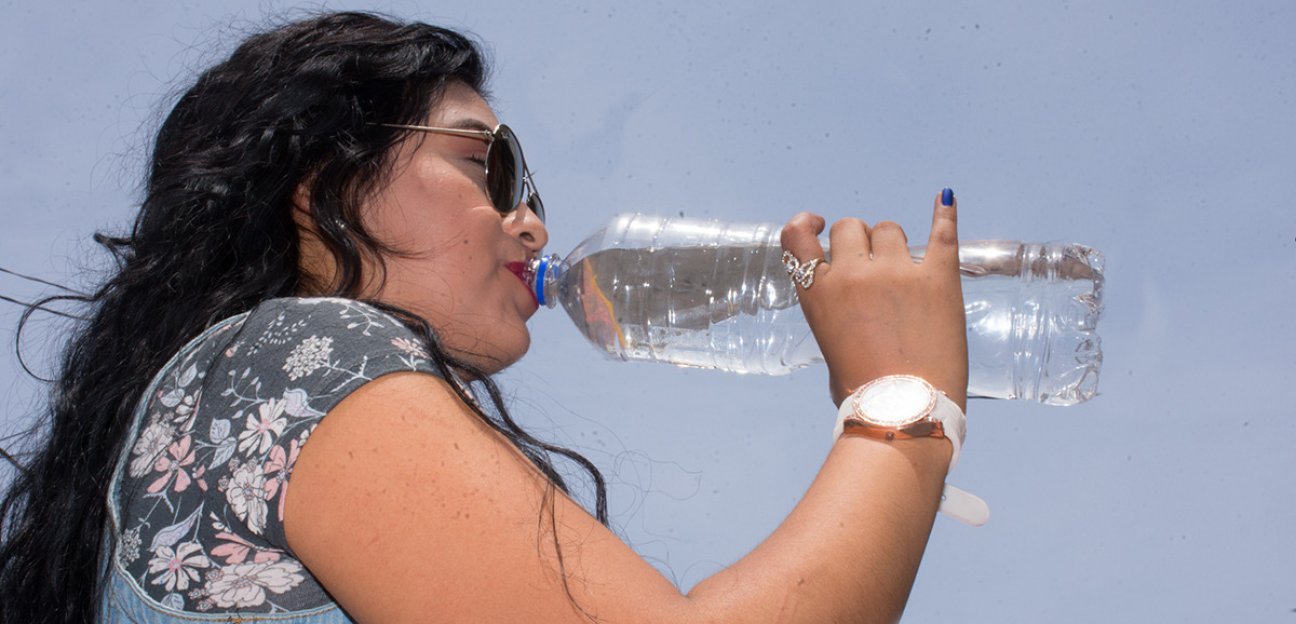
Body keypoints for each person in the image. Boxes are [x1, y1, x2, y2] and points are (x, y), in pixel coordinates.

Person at [0, 11, 970, 624]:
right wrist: (906, 406)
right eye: (485, 164)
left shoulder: (214, 408)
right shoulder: (306, 354)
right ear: (322, 183)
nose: (532, 219)